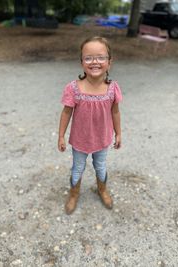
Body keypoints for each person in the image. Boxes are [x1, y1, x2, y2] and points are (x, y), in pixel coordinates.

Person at [58, 36, 122, 215]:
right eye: (88, 58)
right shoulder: (73, 88)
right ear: (81, 62)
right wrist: (61, 135)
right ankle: (74, 193)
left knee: (100, 166)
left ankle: (102, 189)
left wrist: (118, 134)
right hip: (80, 140)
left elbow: (115, 112)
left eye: (101, 57)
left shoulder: (112, 88)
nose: (95, 62)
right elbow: (66, 112)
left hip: (102, 139)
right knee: (77, 167)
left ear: (109, 62)